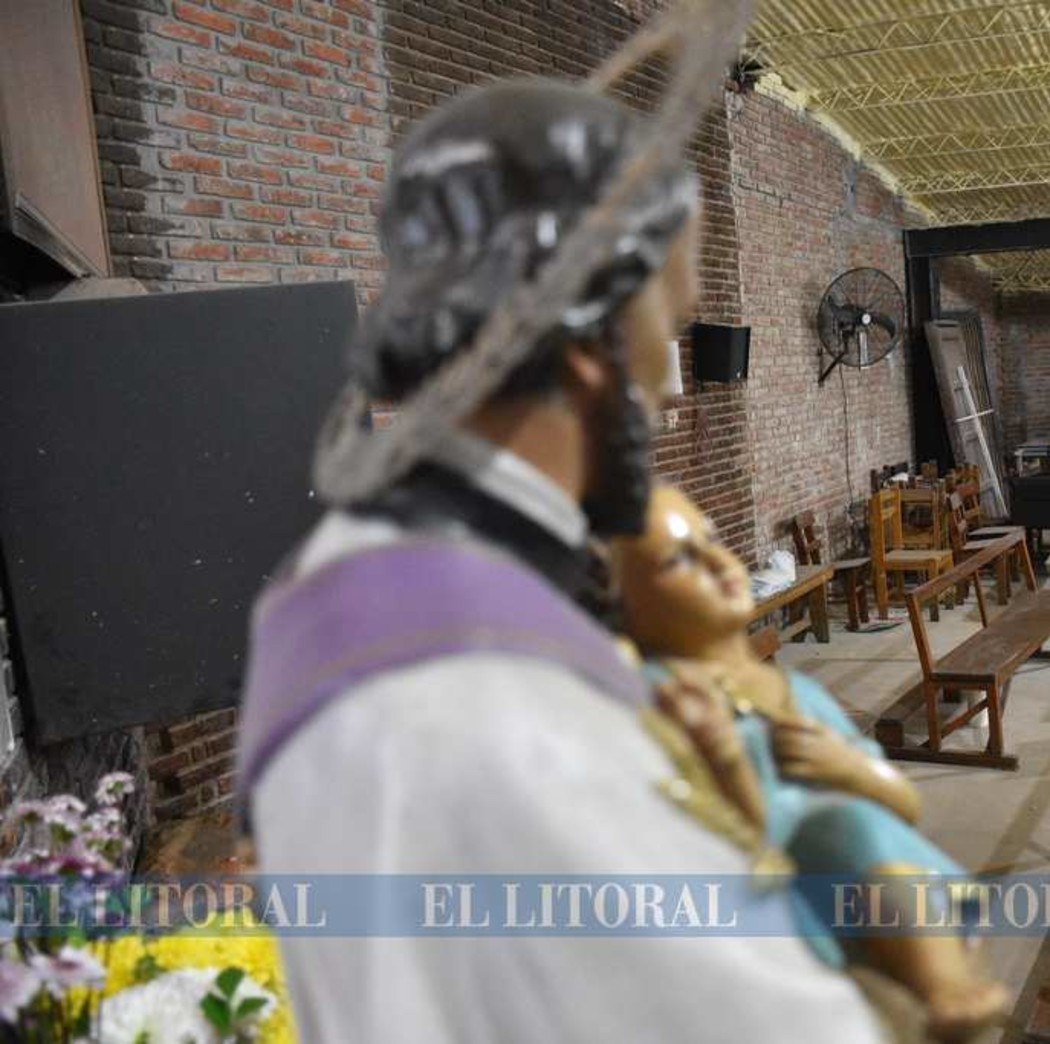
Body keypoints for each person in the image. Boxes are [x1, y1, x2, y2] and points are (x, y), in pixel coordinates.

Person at [235, 76, 885, 1042]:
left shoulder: (347, 572)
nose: (674, 393)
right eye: (664, 337)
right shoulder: (498, 683)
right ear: (586, 355)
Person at [614, 485, 1008, 1042]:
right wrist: (724, 756)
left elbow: (905, 804)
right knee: (846, 826)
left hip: (882, 906)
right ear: (624, 605)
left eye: (711, 540)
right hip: (784, 926)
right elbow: (705, 848)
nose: (716, 562)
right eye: (679, 559)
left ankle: (941, 978)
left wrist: (850, 770)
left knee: (859, 824)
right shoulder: (660, 700)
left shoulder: (795, 691)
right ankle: (938, 982)